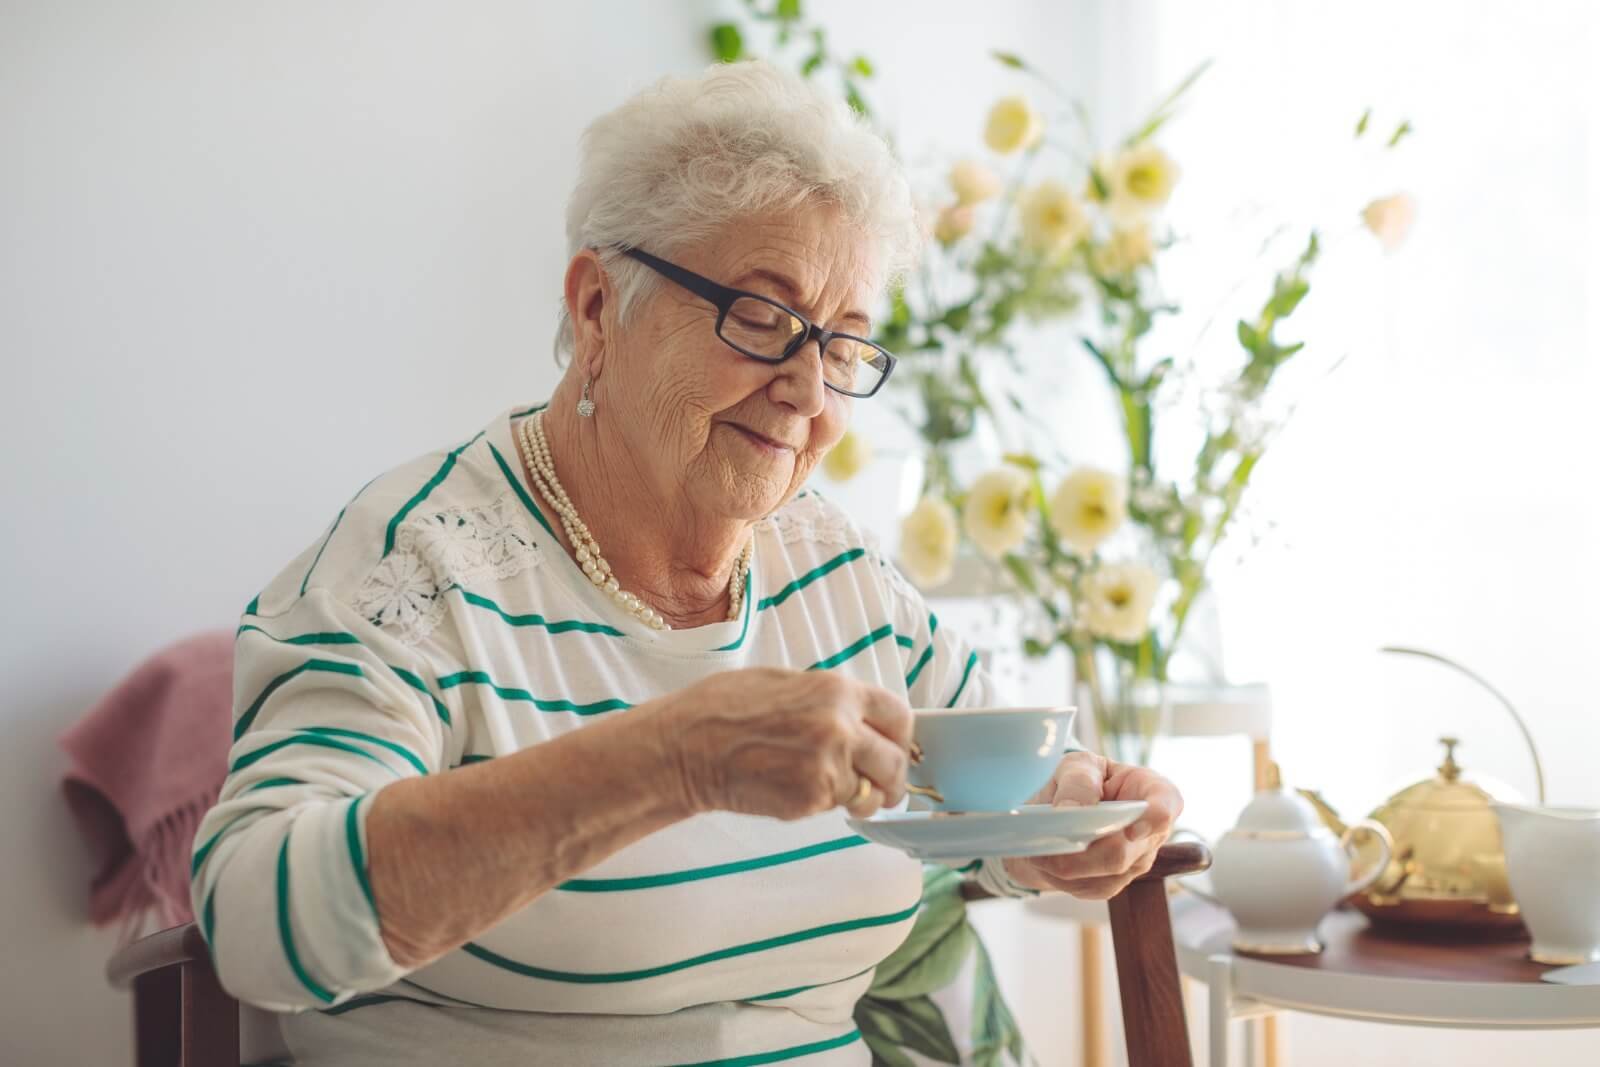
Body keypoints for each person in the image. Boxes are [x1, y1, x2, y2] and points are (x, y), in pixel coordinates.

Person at [191, 60, 1182, 1066]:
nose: (807, 390)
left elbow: (973, 804)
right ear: (594, 308)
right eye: (761, 317)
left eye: (842, 345)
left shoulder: (832, 567)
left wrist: (1065, 822)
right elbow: (258, 921)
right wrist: (672, 758)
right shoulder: (419, 565)